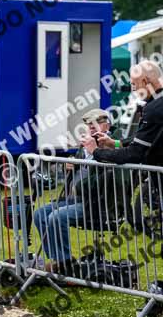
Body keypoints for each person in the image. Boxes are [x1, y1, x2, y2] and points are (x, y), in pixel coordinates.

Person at [34, 109, 119, 271]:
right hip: (76, 199)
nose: (92, 128)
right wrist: (72, 166)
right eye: (89, 125)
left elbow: (105, 174)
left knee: (56, 217)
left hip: (98, 203)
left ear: (106, 125)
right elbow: (82, 169)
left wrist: (93, 152)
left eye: (96, 124)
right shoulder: (85, 145)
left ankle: (64, 263)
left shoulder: (112, 144)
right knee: (40, 214)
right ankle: (58, 259)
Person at [86, 60, 163, 165]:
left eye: (134, 85)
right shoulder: (156, 103)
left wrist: (96, 151)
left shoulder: (153, 109)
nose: (134, 90)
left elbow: (134, 153)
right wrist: (115, 143)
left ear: (144, 82)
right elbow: (142, 138)